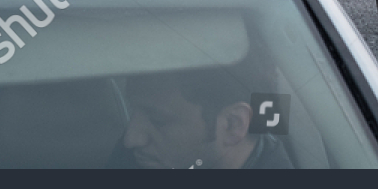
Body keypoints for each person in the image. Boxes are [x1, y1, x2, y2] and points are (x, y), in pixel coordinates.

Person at [113, 63, 293, 170]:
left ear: (232, 125)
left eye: (158, 121)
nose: (130, 139)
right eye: (132, 111)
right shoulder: (140, 156)